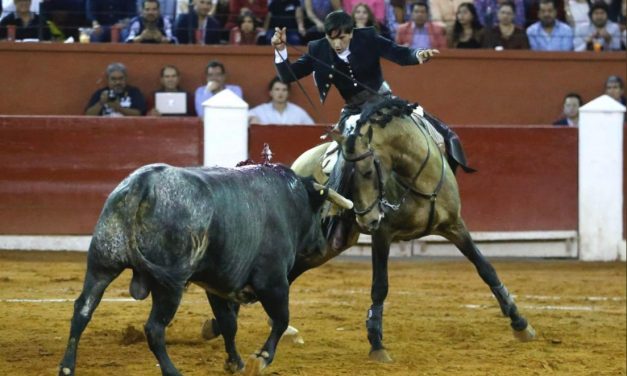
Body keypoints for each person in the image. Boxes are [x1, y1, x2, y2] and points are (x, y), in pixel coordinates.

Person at [272, 10, 473, 173]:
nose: (338, 44)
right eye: (332, 39)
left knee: (432, 129)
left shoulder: (367, 38)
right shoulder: (319, 50)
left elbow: (397, 52)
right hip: (354, 111)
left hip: (384, 100)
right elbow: (288, 76)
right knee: (339, 161)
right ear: (326, 36)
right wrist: (280, 49)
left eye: (342, 38)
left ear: (351, 33)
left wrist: (418, 54)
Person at [249, 77, 315, 124]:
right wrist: (251, 119)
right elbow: (243, 116)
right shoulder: (261, 110)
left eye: (284, 90)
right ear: (271, 92)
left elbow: (312, 129)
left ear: (288, 93)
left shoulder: (298, 112)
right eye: (277, 89)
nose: (280, 93)